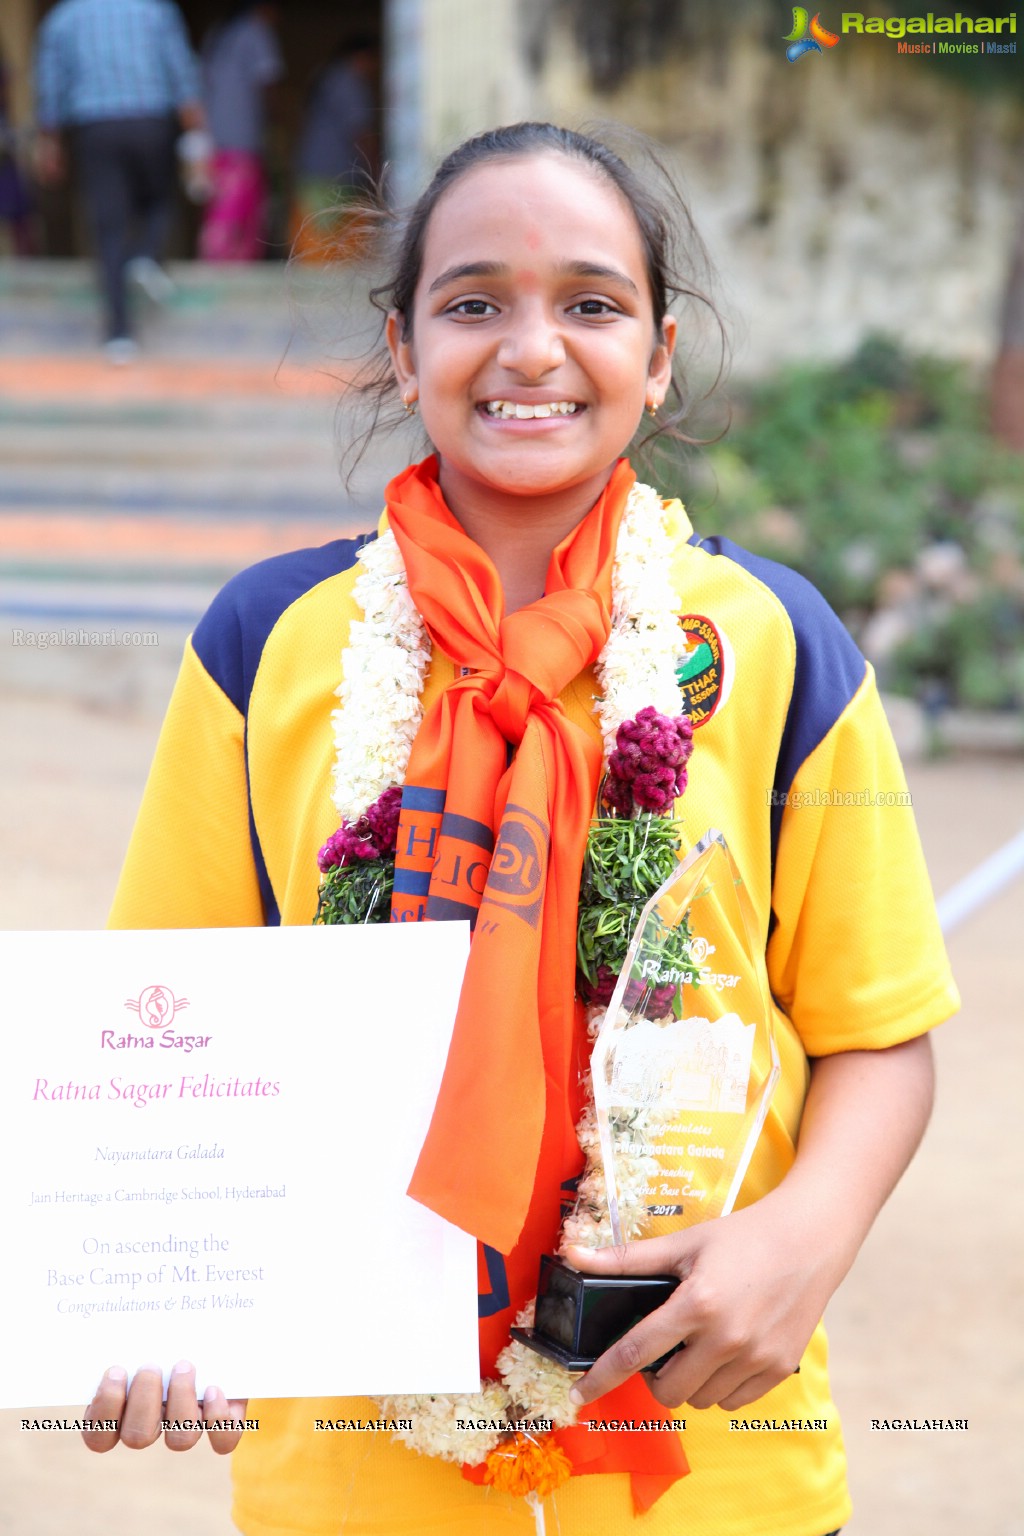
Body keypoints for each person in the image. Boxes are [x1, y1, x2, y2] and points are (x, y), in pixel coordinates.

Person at [84, 123, 958, 1535]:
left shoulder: (776, 644)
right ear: (401, 343)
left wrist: (807, 1237)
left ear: (661, 354)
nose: (532, 349)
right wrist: (148, 1295)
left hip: (714, 1466)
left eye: (593, 304)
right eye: (474, 301)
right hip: (354, 1477)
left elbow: (877, 1031)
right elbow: (169, 1042)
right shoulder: (267, 645)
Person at [33, 0, 205, 361]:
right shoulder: (155, 11)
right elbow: (180, 69)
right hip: (151, 120)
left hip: (95, 127)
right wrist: (196, 125)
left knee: (108, 227)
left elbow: (50, 81)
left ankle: (118, 334)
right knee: (161, 198)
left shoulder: (65, 17)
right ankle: (144, 254)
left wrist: (50, 141)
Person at [198, 1, 284, 261]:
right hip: (241, 135)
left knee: (223, 200)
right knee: (240, 205)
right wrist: (276, 120)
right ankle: (225, 259)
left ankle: (218, 256)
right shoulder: (255, 31)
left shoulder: (218, 33)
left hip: (213, 136)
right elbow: (268, 82)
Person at [289, 34, 379, 262]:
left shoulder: (326, 76)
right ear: (362, 57)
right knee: (331, 241)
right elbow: (360, 132)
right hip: (333, 176)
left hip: (313, 171)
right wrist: (376, 169)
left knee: (313, 237)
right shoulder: (348, 81)